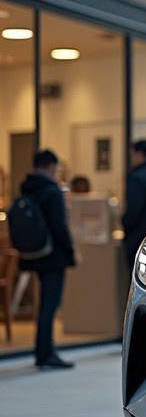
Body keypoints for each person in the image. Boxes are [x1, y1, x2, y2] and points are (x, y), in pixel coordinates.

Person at [18, 150, 75, 369]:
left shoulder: (27, 188)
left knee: (43, 304)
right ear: (50, 166)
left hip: (34, 252)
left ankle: (43, 350)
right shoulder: (52, 191)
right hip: (53, 255)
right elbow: (60, 227)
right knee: (50, 305)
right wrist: (71, 252)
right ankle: (46, 353)